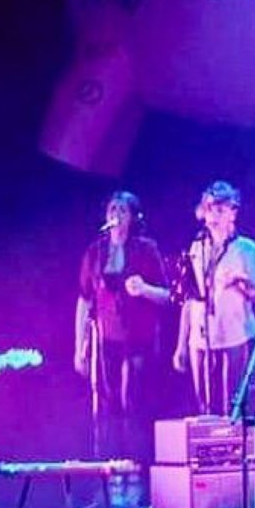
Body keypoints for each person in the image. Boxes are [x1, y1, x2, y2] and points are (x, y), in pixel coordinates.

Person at [74, 191, 169, 461]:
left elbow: (167, 295)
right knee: (107, 401)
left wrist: (144, 289)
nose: (116, 214)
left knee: (134, 400)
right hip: (105, 339)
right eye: (112, 209)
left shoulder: (146, 249)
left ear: (132, 217)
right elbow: (84, 300)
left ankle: (136, 464)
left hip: (139, 337)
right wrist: (79, 347)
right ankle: (110, 466)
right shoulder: (96, 251)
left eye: (122, 210)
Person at [173, 181, 255, 416]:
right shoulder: (197, 248)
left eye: (219, 209)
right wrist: (181, 345)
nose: (212, 216)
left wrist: (243, 283)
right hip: (200, 337)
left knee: (233, 405)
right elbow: (189, 298)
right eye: (208, 209)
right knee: (205, 409)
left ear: (232, 212)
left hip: (235, 335)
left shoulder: (246, 249)